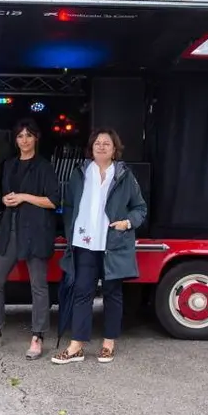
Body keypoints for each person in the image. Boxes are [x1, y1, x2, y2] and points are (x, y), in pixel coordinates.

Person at [52, 128, 147, 365]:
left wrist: (127, 223)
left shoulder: (125, 176)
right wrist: (71, 230)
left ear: (115, 150)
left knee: (112, 294)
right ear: (91, 148)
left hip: (112, 244)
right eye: (97, 143)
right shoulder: (80, 173)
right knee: (82, 293)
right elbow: (70, 205)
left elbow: (140, 208)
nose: (101, 146)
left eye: (107, 143)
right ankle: (77, 345)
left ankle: (108, 343)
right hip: (84, 243)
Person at [0, 118, 60, 360]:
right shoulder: (9, 165)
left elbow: (53, 201)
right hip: (10, 230)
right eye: (20, 136)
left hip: (35, 233)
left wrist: (23, 196)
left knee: (38, 287)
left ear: (36, 138)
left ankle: (38, 336)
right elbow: (4, 195)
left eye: (29, 136)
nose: (24, 140)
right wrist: (7, 200)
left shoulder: (44, 167)